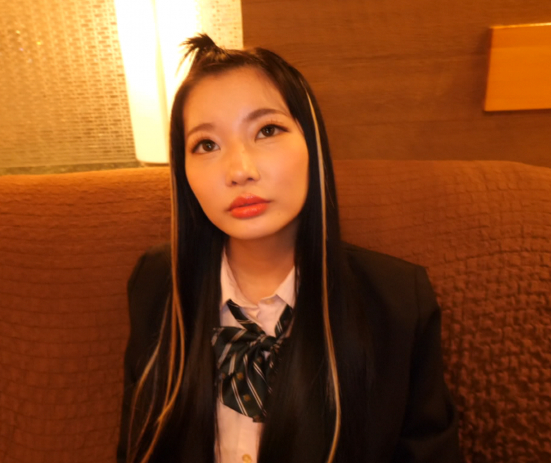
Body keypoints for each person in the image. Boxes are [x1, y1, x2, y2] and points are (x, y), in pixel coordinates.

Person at [117, 34, 461, 463]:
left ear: (312, 144)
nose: (240, 170)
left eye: (267, 130)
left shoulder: (397, 301)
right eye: (206, 144)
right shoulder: (156, 283)